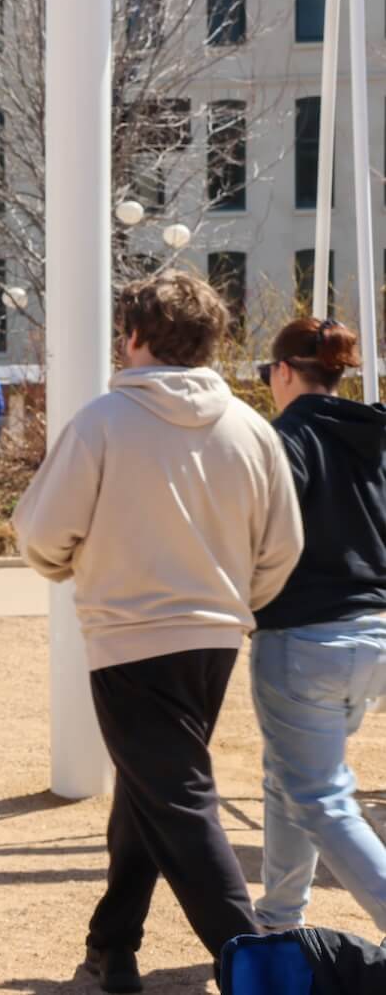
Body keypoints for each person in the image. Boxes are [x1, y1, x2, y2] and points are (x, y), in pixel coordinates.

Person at [12, 270, 303, 992]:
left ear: (136, 334)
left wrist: (68, 567)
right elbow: (284, 547)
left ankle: (257, 965)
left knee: (177, 798)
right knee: (152, 787)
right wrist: (234, 600)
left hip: (129, 635)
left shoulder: (104, 422)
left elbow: (42, 532)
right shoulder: (252, 429)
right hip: (215, 639)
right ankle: (113, 945)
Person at [251, 317, 386, 936]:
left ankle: (283, 920)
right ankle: (278, 923)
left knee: (320, 797)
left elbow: (264, 538)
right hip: (373, 632)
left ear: (283, 371)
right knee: (289, 777)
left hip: (303, 638)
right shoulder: (373, 438)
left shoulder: (284, 441)